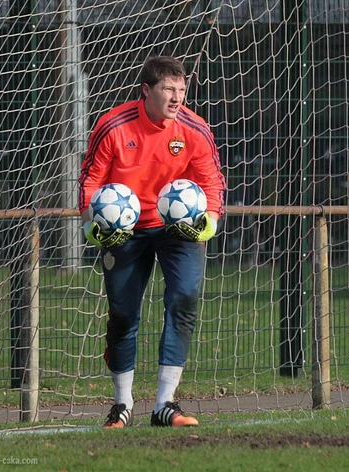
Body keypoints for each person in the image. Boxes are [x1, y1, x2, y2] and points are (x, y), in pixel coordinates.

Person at [78, 56, 226, 428]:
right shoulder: (113, 126)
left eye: (182, 90)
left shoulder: (194, 129)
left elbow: (212, 182)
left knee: (184, 298)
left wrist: (208, 222)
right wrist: (91, 225)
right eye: (168, 89)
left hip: (178, 229)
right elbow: (90, 181)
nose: (177, 98)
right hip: (123, 229)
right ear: (146, 90)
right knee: (123, 314)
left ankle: (165, 404)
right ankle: (122, 404)